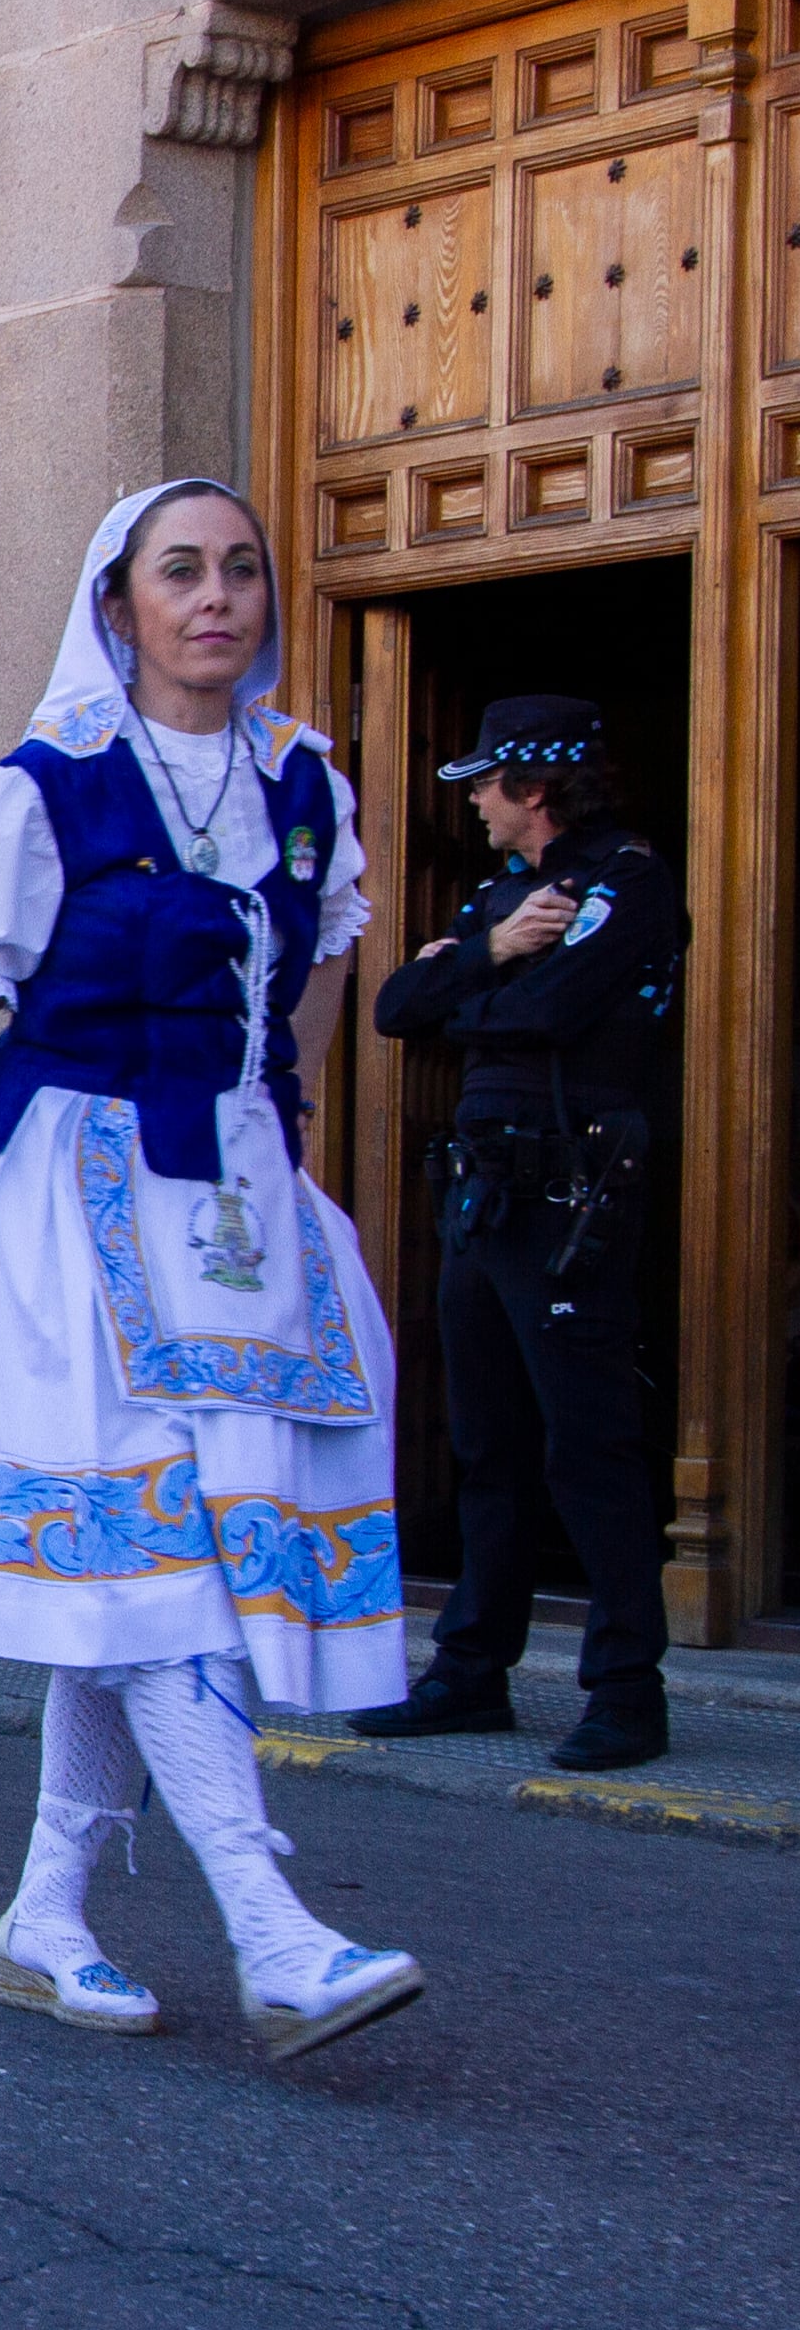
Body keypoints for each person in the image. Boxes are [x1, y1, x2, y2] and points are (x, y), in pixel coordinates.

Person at [0, 477, 423, 2064]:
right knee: (150, 1562)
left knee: (130, 1579)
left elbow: (320, 972)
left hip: (232, 1204)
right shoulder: (35, 788)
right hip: (60, 1194)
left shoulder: (301, 782)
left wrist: (279, 1126)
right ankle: (270, 1926)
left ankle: (45, 1914)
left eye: (240, 571)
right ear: (113, 604)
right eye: (177, 572)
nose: (216, 598)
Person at [356, 696, 684, 1772]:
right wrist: (494, 949)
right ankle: (468, 1672)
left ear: (534, 787)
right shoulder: (505, 896)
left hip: (570, 1189)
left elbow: (549, 1011)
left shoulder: (625, 879)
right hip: (482, 1192)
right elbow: (398, 1007)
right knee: (484, 1440)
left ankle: (627, 1690)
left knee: (587, 1442)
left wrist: (476, 982)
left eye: (487, 784)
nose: (476, 804)